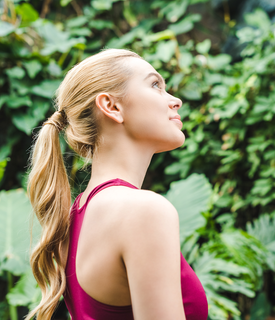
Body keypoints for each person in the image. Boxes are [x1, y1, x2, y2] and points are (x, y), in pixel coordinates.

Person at [25, 48, 208, 320]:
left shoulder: (74, 219)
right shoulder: (142, 211)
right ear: (111, 106)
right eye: (155, 85)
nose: (176, 100)